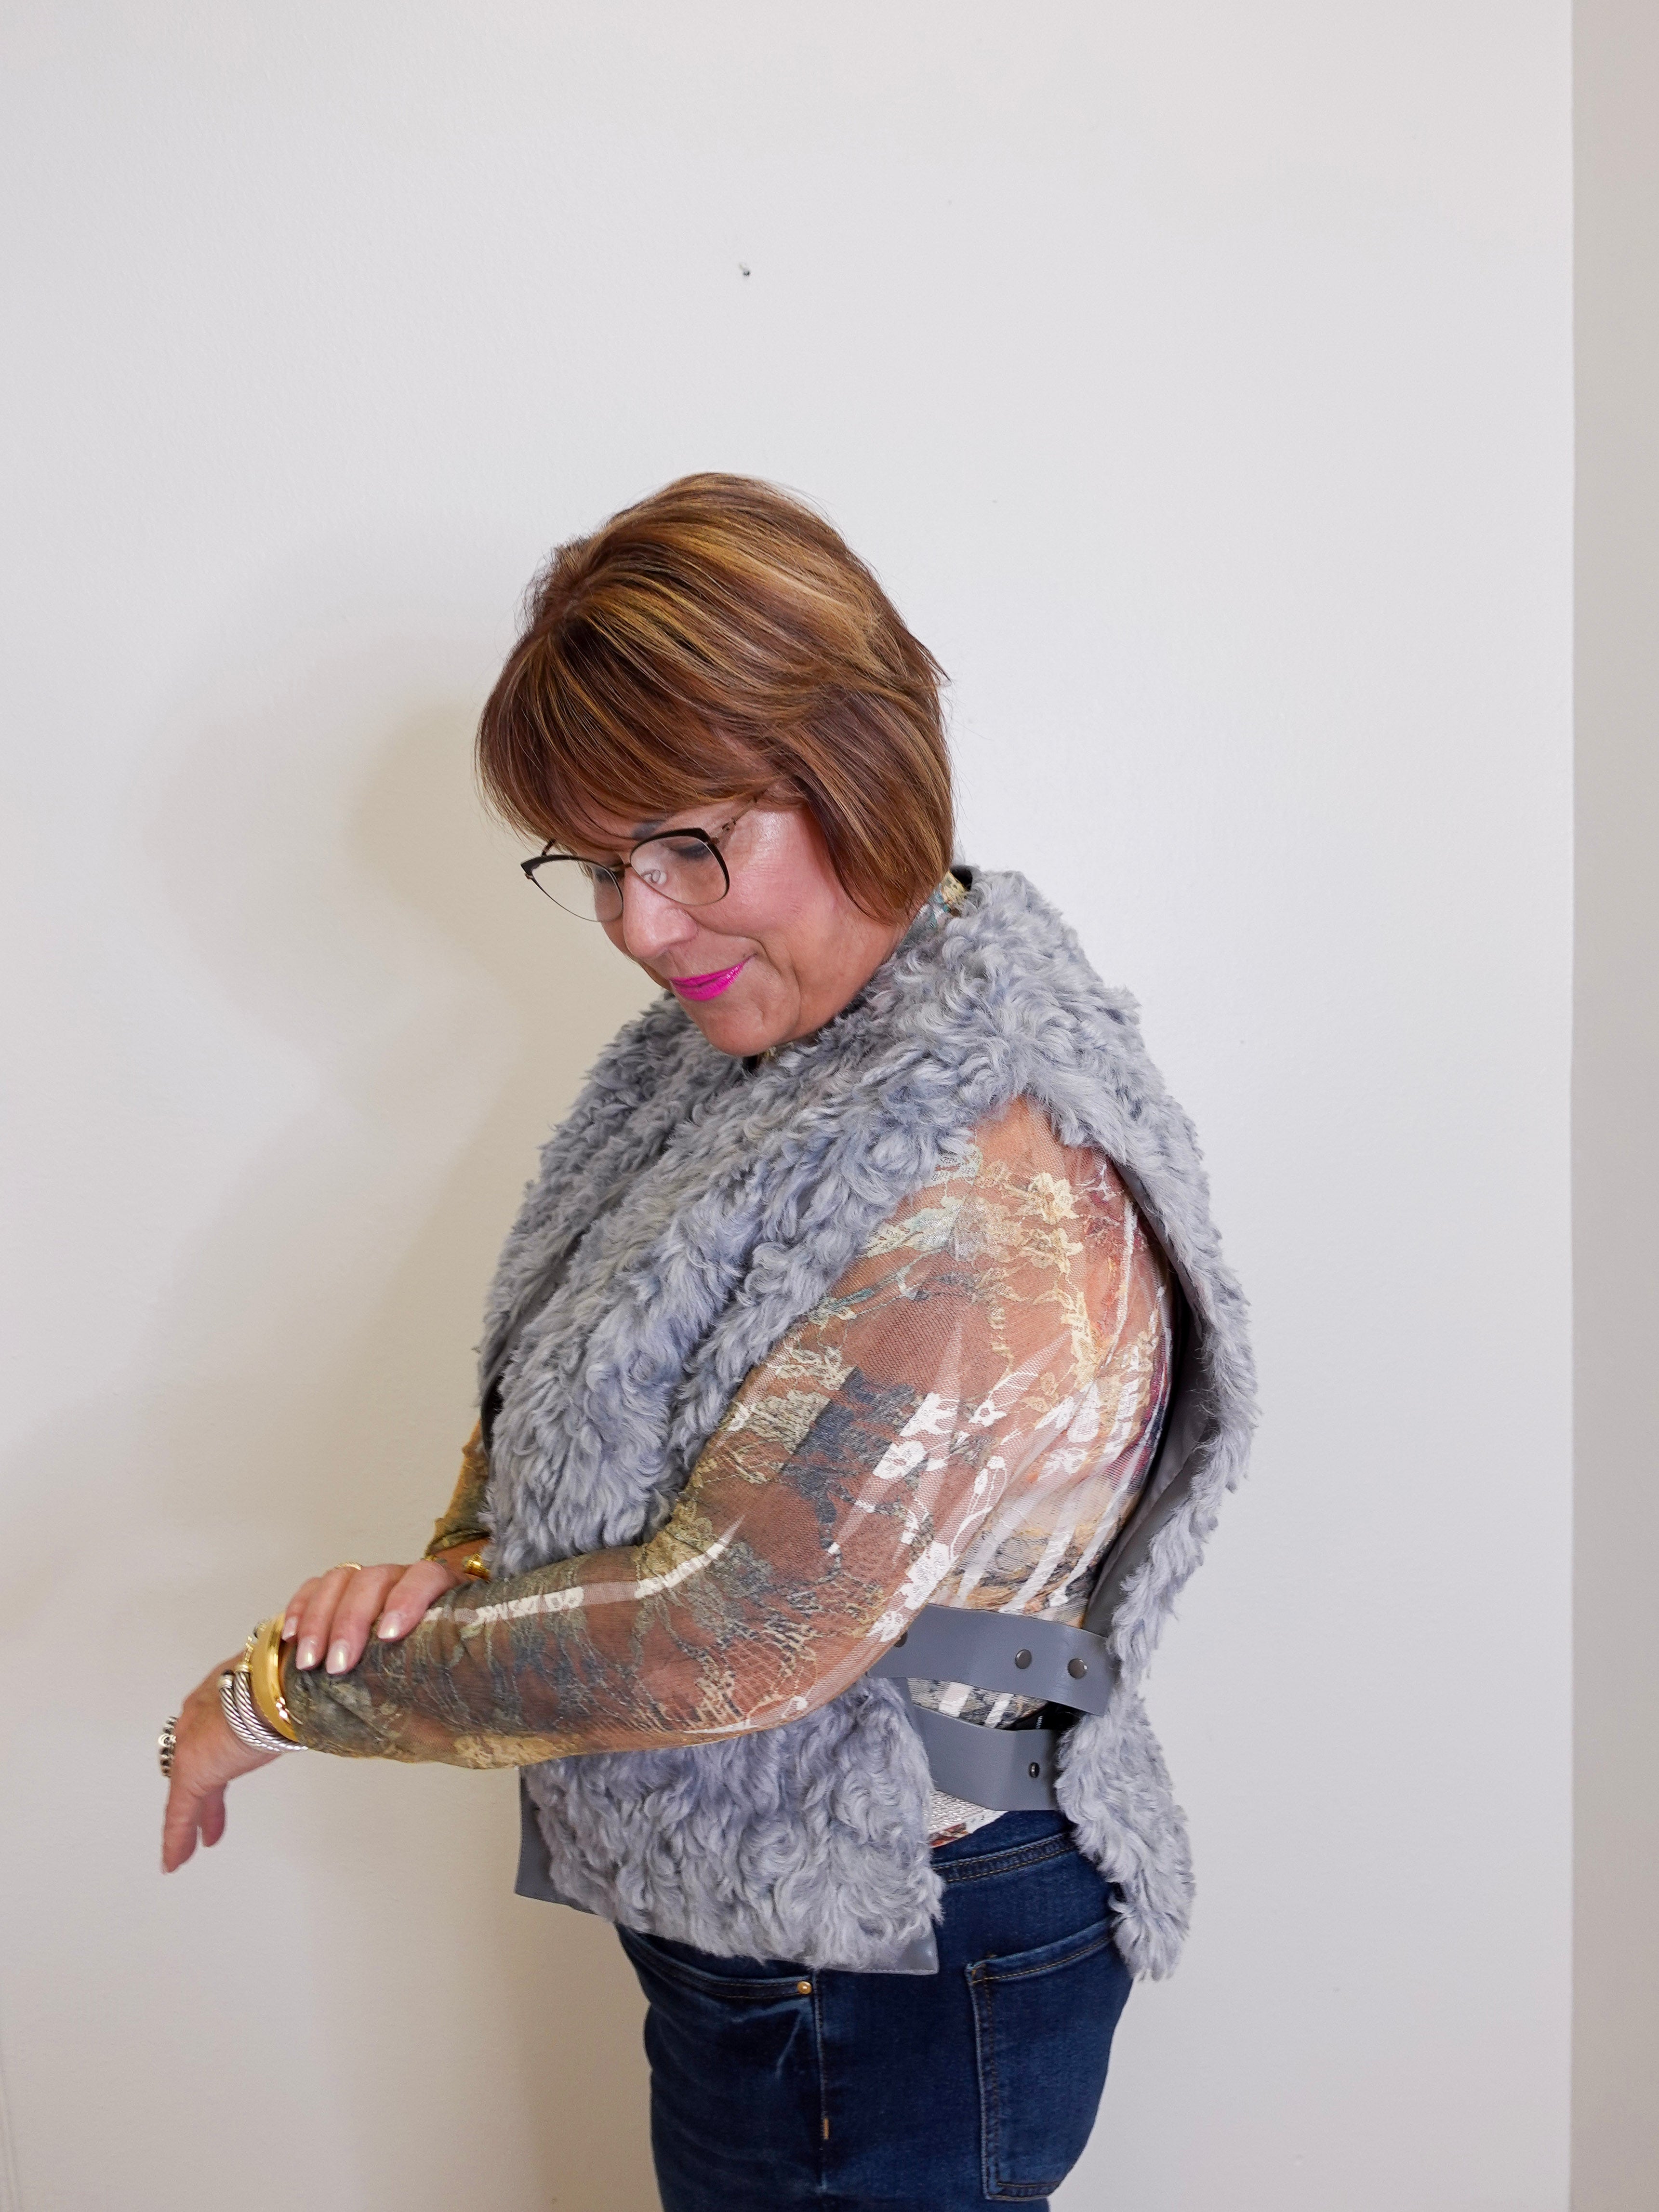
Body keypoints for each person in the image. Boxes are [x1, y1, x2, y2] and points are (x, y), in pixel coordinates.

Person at [160, 474, 1255, 2212]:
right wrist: (457, 1570)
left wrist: (282, 1697)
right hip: (809, 1934)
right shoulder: (763, 1063)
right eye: (601, 864)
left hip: (898, 1951)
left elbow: (730, 1633)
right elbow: (593, 1384)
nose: (640, 925)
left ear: (859, 769)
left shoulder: (985, 1166)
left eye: (686, 844)